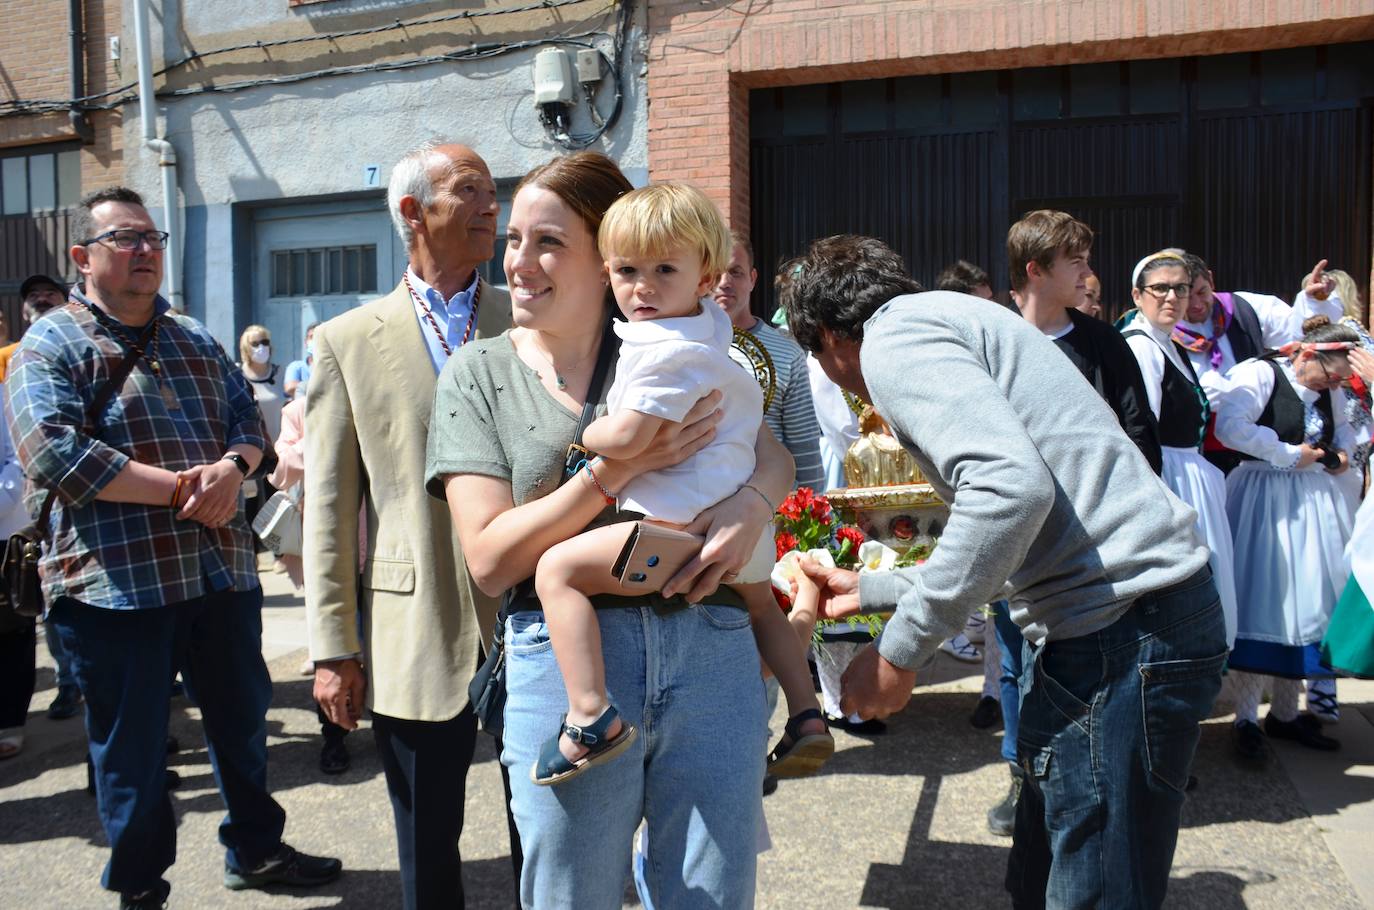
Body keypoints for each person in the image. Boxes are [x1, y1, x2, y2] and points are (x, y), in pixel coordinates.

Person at [782, 234, 1226, 910]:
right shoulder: (954, 316)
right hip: (1124, 626)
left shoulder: (892, 342)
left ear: (827, 337)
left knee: (1095, 887)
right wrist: (876, 589)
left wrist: (899, 652)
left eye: (817, 357)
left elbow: (1009, 491)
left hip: (1124, 633)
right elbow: (1022, 527)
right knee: (1044, 872)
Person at [427, 151, 794, 908]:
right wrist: (611, 474)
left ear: (606, 256)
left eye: (548, 242)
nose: (519, 263)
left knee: (714, 895)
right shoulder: (479, 373)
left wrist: (752, 505)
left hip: (710, 642)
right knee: (574, 896)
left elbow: (775, 454)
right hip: (569, 672)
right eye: (515, 239)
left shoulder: (674, 346)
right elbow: (491, 561)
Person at [6, 186, 340, 909]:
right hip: (112, 589)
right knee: (132, 755)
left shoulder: (190, 336)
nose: (145, 251)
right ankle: (139, 889)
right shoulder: (50, 343)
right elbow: (53, 454)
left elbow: (246, 421)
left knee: (242, 729)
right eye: (125, 239)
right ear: (82, 257)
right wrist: (184, 489)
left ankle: (256, 851)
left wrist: (234, 468)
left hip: (216, 575)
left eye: (152, 237)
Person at [527, 183, 830, 786]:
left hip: (673, 530)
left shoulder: (662, 351)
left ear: (704, 276)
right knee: (760, 605)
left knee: (555, 573)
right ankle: (807, 714)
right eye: (627, 270)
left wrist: (590, 435)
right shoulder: (713, 335)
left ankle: (590, 715)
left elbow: (634, 436)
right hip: (741, 527)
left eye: (664, 269)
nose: (642, 287)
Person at [304, 141, 513, 910]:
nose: (493, 205)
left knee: (547, 821)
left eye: (495, 190)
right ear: (411, 212)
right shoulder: (348, 342)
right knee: (427, 842)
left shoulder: (525, 319)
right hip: (411, 625)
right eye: (470, 191)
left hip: (532, 615)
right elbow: (328, 510)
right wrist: (334, 646)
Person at [1215, 315, 1358, 759]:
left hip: (1313, 500)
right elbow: (1230, 426)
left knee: (1305, 603)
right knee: (1265, 597)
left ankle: (1286, 714)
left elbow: (1348, 438)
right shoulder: (1261, 373)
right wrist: (1289, 453)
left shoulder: (1330, 393)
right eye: (1332, 375)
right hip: (1262, 496)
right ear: (1311, 353)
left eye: (1342, 380)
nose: (1335, 385)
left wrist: (1338, 459)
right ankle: (1244, 718)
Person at [1122, 252, 1240, 646]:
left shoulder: (1167, 343)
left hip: (1188, 472)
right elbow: (1142, 429)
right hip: (1169, 478)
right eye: (1161, 288)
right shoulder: (1142, 347)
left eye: (1181, 287)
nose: (1172, 296)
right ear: (1138, 296)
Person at [1008, 210, 1163, 475]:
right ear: (1036, 270)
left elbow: (1137, 426)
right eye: (1076, 261)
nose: (1087, 272)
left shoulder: (1105, 341)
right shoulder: (997, 341)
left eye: (1087, 260)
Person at [715, 231, 826, 491]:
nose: (724, 282)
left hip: (771, 508)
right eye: (715, 272)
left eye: (735, 272)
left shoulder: (788, 352)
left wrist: (814, 516)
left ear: (752, 279)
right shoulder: (679, 346)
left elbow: (804, 446)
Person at [0, 392, 33, 759]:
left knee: (11, 628)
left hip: (5, 533)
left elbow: (18, 458)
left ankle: (10, 720)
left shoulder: (7, 396)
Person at [237, 324, 285, 539]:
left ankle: (279, 554)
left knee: (278, 502)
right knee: (251, 502)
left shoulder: (278, 372)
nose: (261, 347)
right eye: (255, 343)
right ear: (246, 347)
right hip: (251, 449)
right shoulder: (238, 376)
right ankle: (253, 554)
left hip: (279, 450)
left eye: (264, 342)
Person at [0, 274, 65, 381]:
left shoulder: (82, 348)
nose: (41, 299)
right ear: (24, 313)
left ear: (67, 306)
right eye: (33, 295)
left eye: (50, 294)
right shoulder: (4, 357)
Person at [283, 322, 318, 400]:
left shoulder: (333, 365)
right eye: (311, 337)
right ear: (306, 342)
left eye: (318, 337)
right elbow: (290, 388)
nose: (315, 340)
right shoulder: (296, 366)